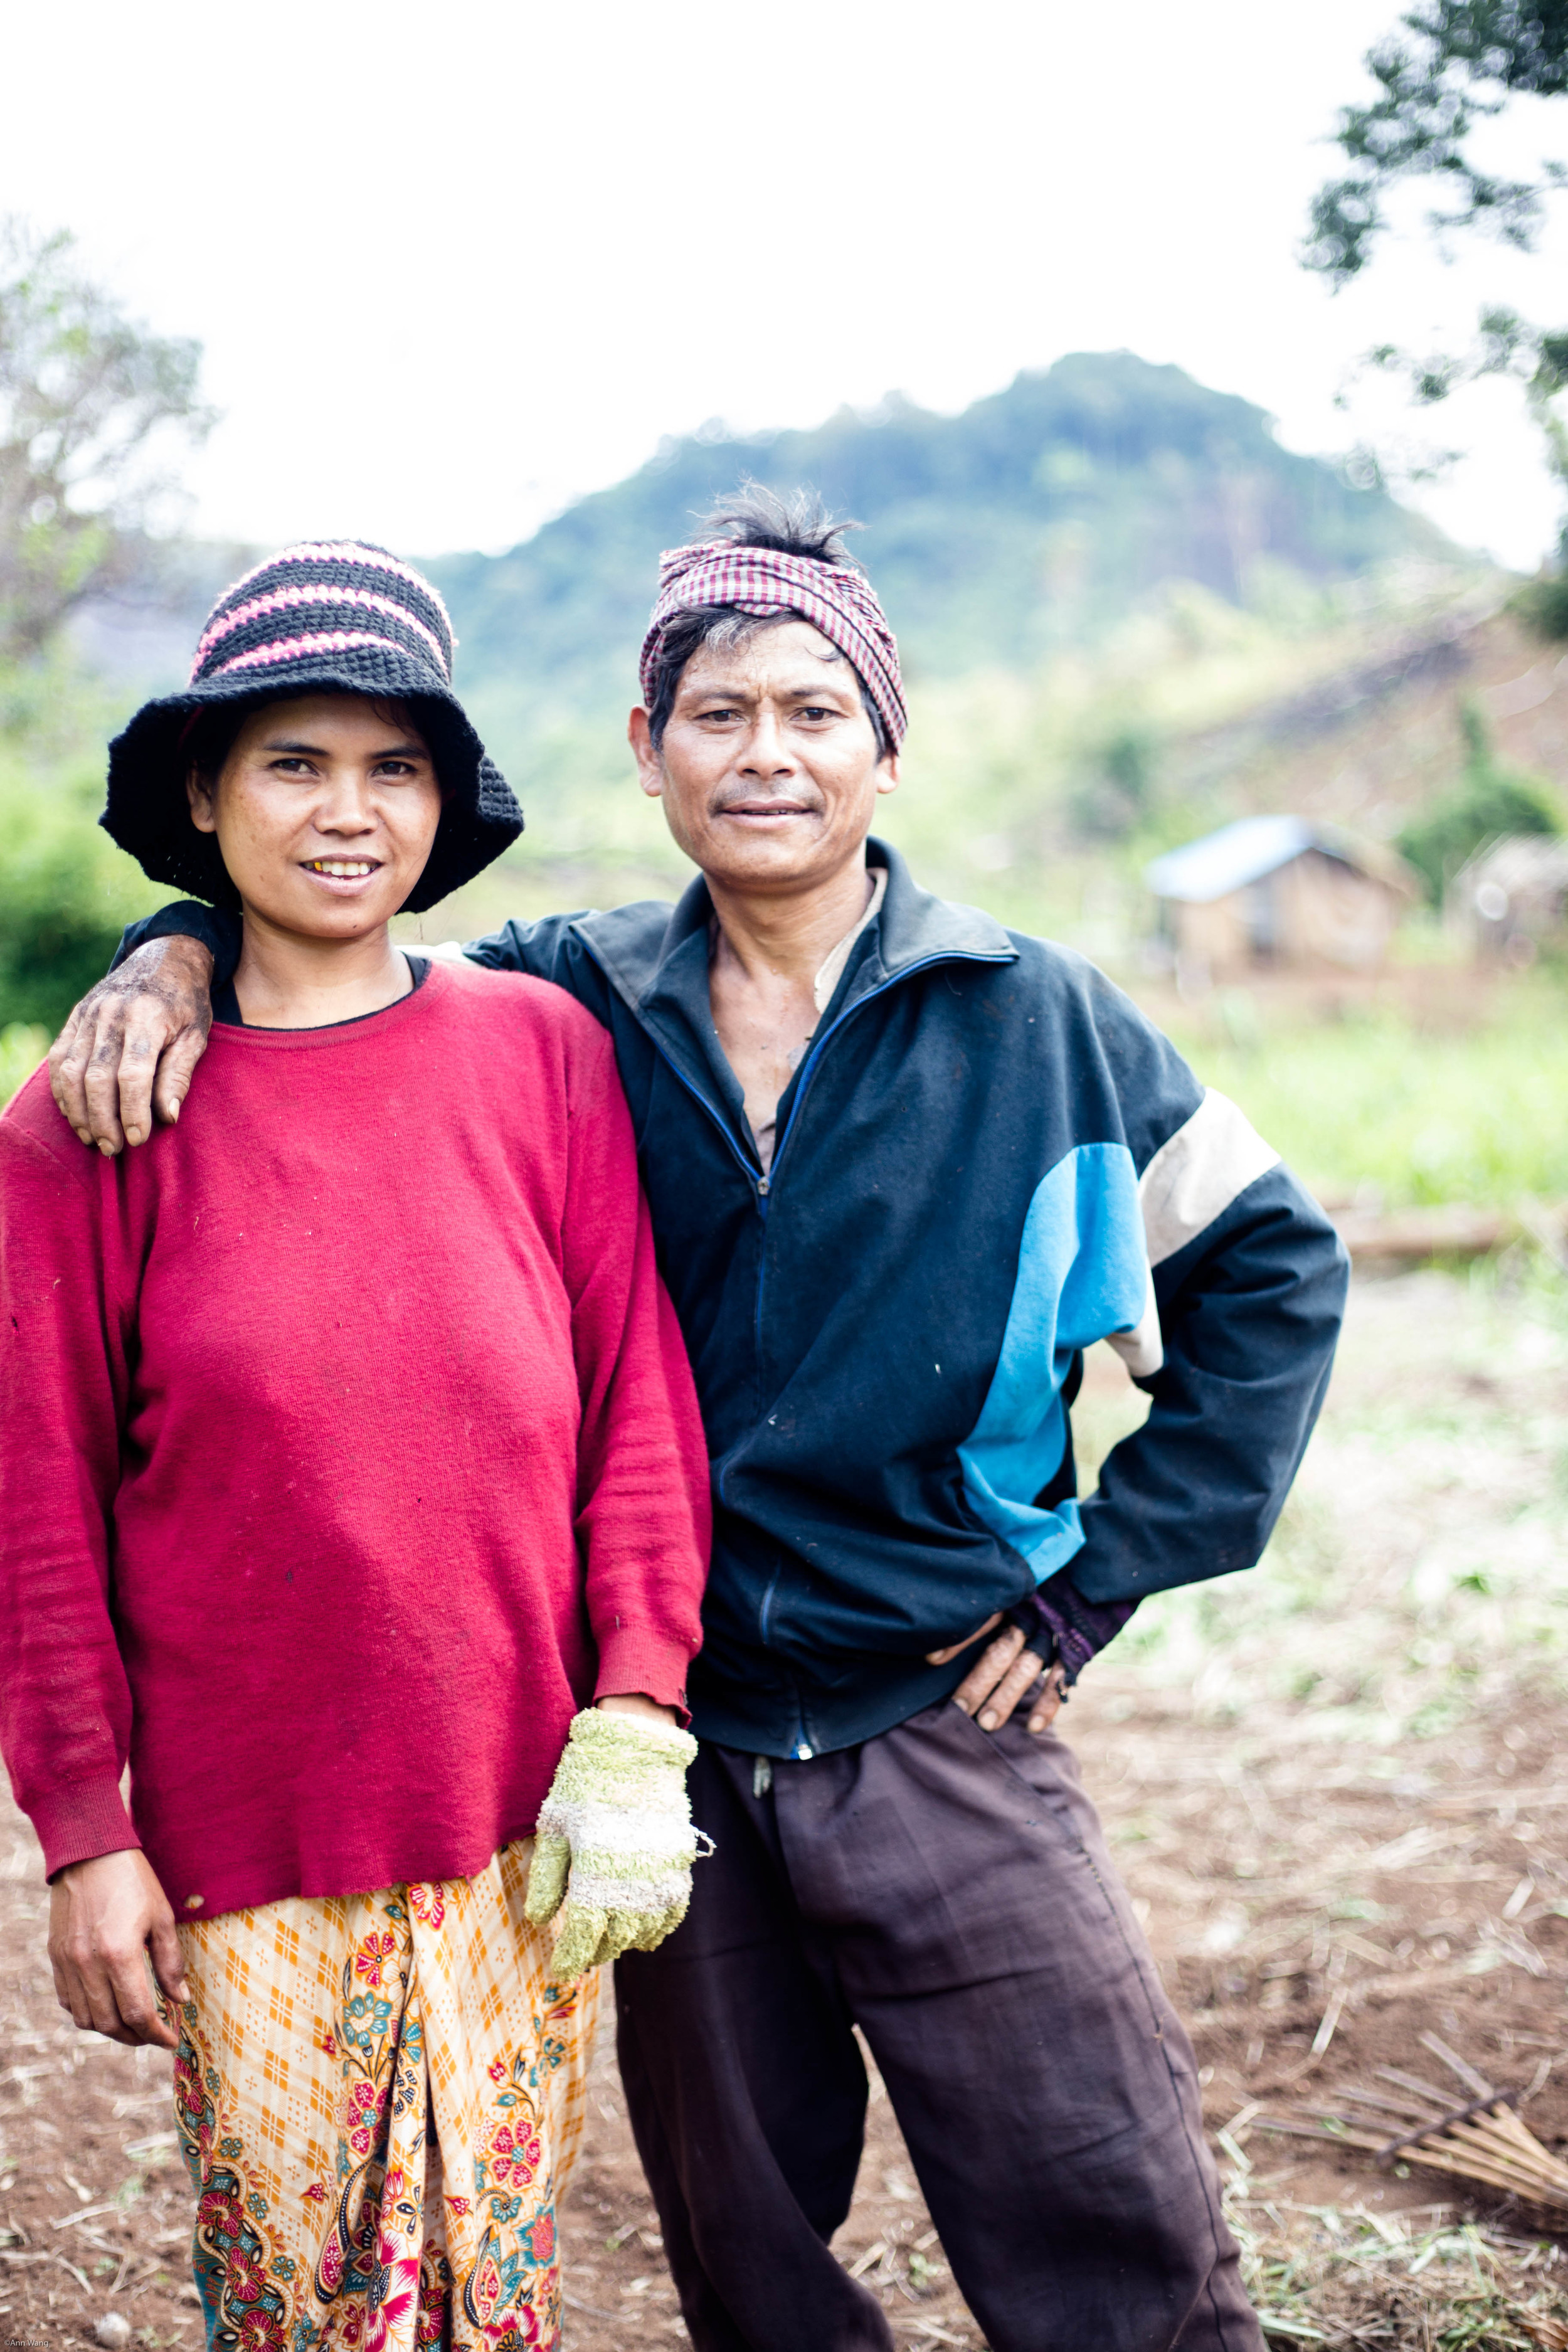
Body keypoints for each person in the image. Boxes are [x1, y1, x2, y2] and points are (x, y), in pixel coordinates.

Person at [52, 495, 1349, 2352]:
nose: (766, 754)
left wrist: (1091, 1583)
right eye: (717, 712)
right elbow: (331, 947)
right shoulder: (561, 1003)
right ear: (646, 750)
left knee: (1103, 2209)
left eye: (815, 712)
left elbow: (1274, 1275)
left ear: (884, 747)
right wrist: (167, 950)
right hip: (655, 1756)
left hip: (934, 1713)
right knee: (748, 2256)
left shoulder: (1031, 1020)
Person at [2, 542, 712, 2352]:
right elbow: (37, 1508)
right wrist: (84, 1834)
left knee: (498, 2287)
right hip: (246, 1830)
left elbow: (634, 1396)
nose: (347, 812)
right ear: (201, 795)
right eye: (291, 765)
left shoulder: (541, 1056)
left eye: (391, 766)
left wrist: (634, 1713)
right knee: (306, 2304)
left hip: (515, 1820)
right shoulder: (94, 1116)